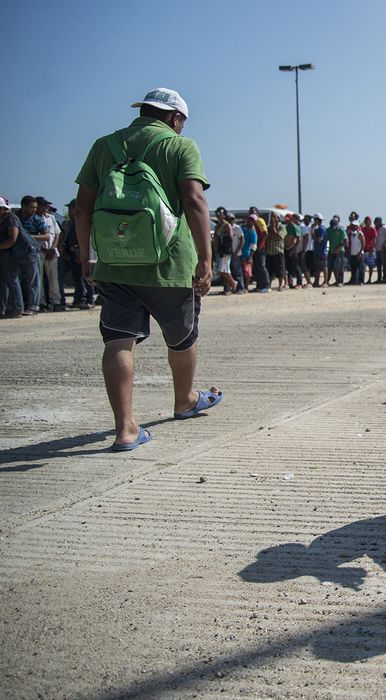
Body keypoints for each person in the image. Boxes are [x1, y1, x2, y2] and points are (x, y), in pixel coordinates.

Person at [73, 87, 221, 451]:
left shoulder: (104, 146)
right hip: (169, 264)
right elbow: (194, 199)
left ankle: (125, 429)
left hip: (116, 264)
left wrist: (87, 255)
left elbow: (82, 207)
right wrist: (206, 257)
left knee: (118, 340)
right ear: (175, 118)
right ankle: (185, 399)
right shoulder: (179, 146)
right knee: (183, 337)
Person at [0, 196, 41, 318]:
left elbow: (12, 240)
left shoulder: (11, 219)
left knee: (28, 280)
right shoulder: (3, 219)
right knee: (9, 281)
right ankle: (10, 308)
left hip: (28, 252)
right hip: (15, 254)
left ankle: (25, 308)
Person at [325, 216, 346, 286]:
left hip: (340, 251)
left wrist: (338, 248)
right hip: (331, 251)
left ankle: (340, 281)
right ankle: (328, 281)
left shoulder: (341, 230)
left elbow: (345, 240)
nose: (333, 227)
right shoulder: (329, 230)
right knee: (330, 266)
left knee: (338, 267)